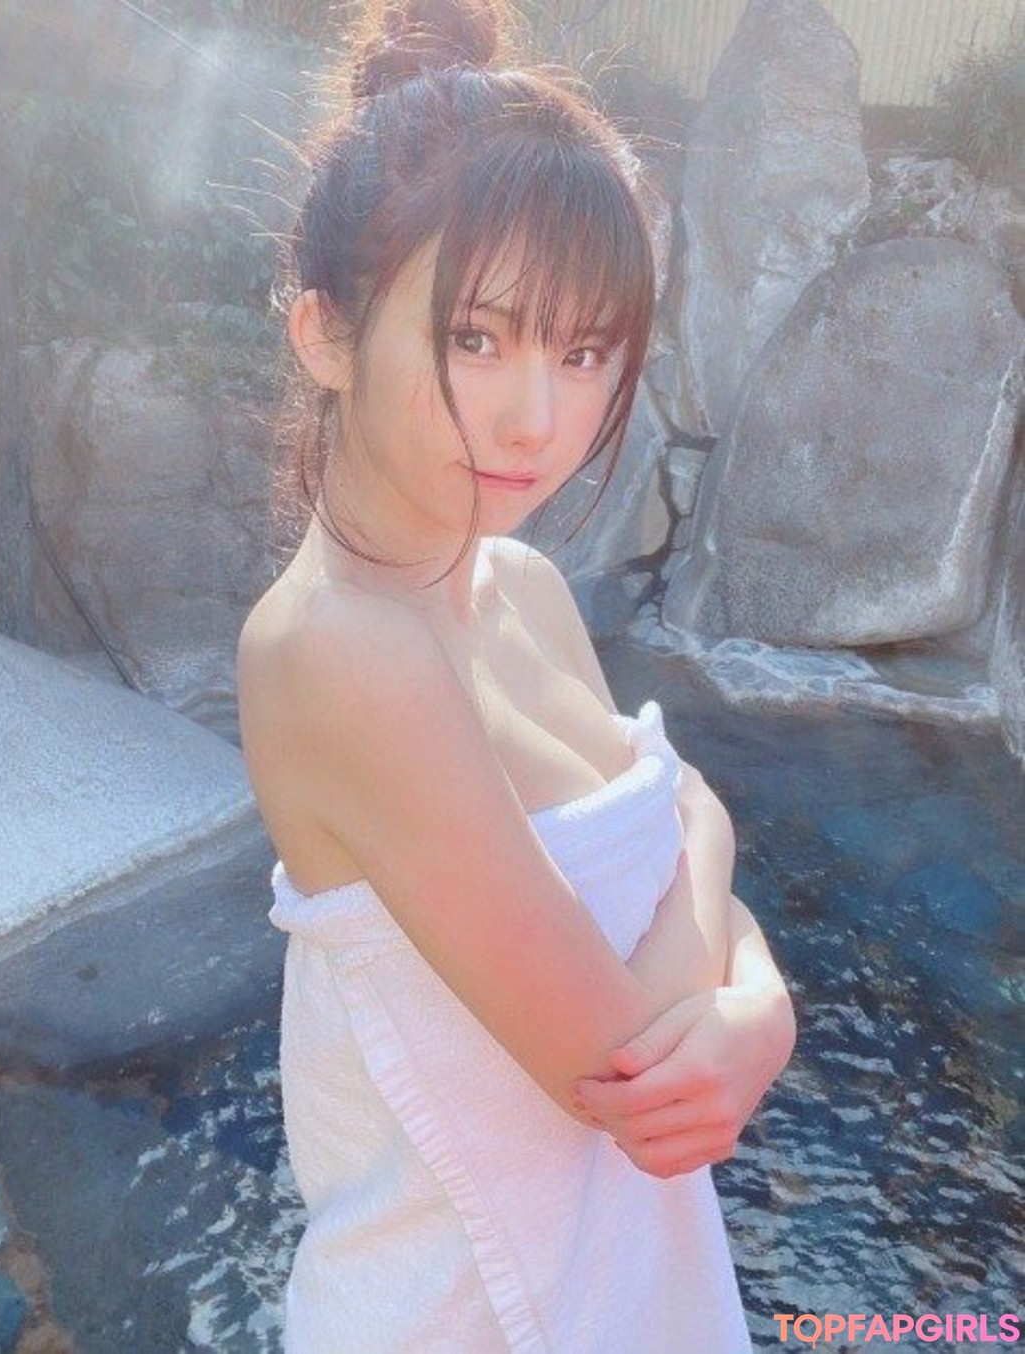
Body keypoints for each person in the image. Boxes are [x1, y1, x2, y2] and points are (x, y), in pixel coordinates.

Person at [237, 1, 796, 1347]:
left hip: (629, 1289)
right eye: (477, 338)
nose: (538, 418)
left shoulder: (526, 589)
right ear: (325, 333)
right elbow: (622, 1072)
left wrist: (757, 1000)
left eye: (583, 351)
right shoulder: (333, 650)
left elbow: (673, 939)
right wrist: (709, 838)